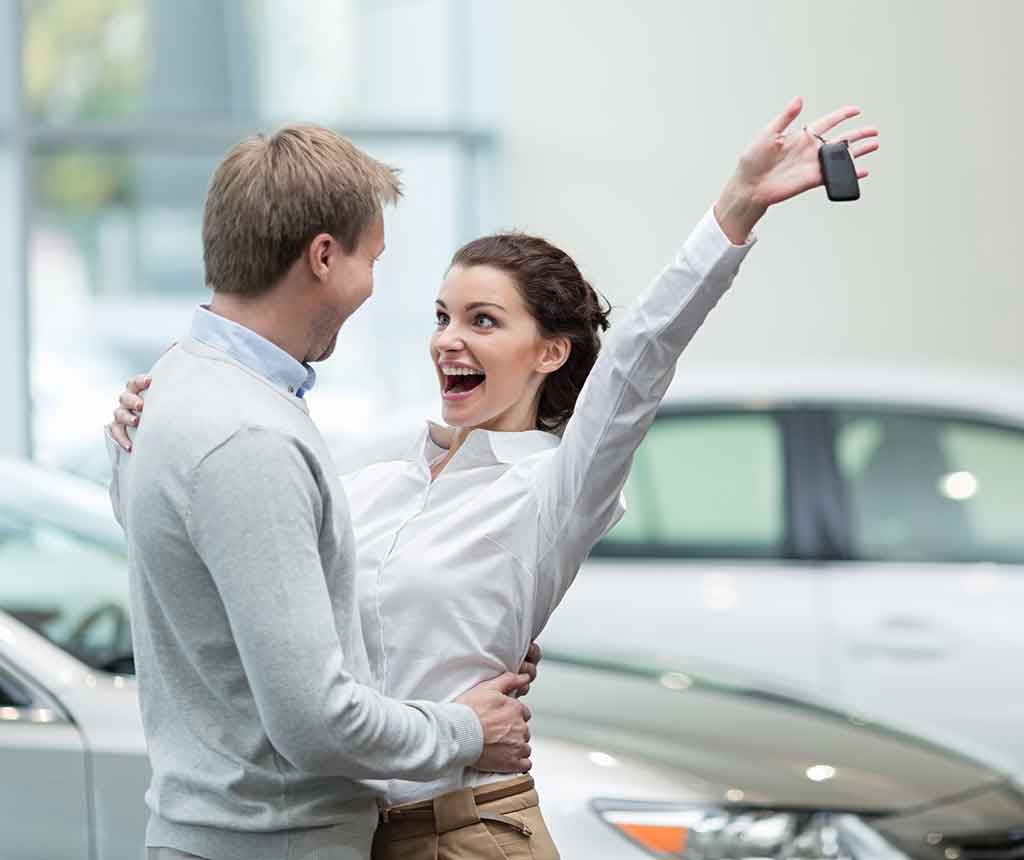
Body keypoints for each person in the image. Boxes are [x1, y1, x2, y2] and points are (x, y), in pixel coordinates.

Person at [108, 97, 879, 860]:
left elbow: (642, 354)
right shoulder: (371, 469)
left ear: (549, 352)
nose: (448, 340)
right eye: (442, 316)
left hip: (468, 831)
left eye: (483, 320)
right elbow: (235, 556)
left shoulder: (551, 490)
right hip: (356, 832)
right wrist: (140, 440)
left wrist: (736, 208)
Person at [104, 124, 537, 860]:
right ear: (324, 257)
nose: (373, 285)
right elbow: (316, 722)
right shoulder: (248, 435)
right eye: (373, 259)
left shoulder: (171, 387)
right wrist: (468, 729)